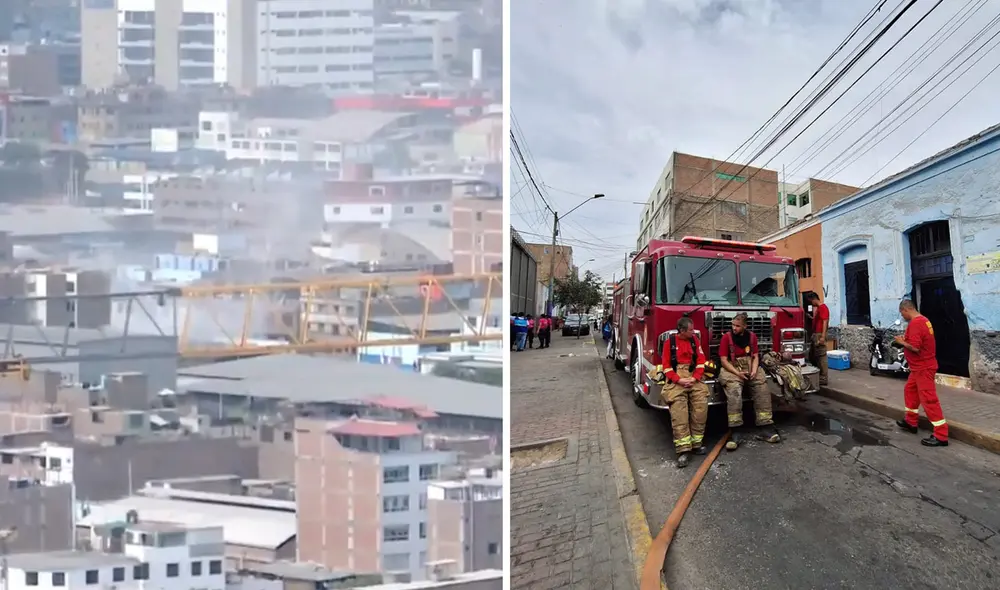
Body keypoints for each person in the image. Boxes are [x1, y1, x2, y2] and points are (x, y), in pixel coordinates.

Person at [718, 313, 780, 450]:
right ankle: (736, 432)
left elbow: (755, 356)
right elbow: (723, 360)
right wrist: (737, 373)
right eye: (733, 325)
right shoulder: (726, 338)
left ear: (745, 326)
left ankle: (766, 428)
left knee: (762, 390)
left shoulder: (752, 337)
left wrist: (753, 371)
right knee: (734, 392)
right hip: (732, 369)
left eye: (737, 326)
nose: (734, 328)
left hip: (750, 366)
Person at [657, 317, 710, 468]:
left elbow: (701, 360)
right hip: (676, 378)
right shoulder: (670, 343)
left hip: (693, 377)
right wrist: (678, 380)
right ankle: (683, 450)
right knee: (679, 413)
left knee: (701, 408)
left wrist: (695, 378)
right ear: (682, 330)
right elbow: (666, 366)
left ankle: (696, 444)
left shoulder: (694, 341)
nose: (694, 332)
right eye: (691, 330)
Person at [894, 299, 948, 447]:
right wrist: (907, 340)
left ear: (905, 310)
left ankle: (941, 435)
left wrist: (901, 342)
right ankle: (911, 422)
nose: (902, 316)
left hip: (923, 368)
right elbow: (919, 342)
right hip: (918, 367)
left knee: (929, 399)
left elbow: (916, 348)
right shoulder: (924, 320)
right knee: (910, 390)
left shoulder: (916, 323)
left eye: (902, 313)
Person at [806, 292, 829, 387]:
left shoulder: (823, 307)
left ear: (814, 299)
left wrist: (823, 336)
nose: (811, 304)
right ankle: (818, 375)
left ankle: (823, 378)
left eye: (811, 301)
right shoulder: (819, 309)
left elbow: (825, 321)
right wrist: (811, 317)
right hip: (816, 334)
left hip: (819, 335)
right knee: (812, 356)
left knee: (821, 356)